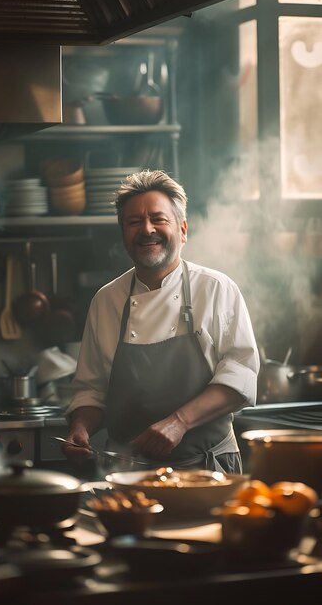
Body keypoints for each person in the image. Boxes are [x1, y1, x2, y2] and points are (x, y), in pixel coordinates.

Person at [63, 169, 260, 474]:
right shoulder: (106, 300)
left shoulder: (216, 288)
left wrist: (179, 421)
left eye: (159, 219)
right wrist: (81, 427)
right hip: (128, 473)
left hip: (207, 469)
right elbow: (92, 389)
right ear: (123, 233)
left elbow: (242, 374)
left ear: (182, 230)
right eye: (133, 222)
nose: (147, 229)